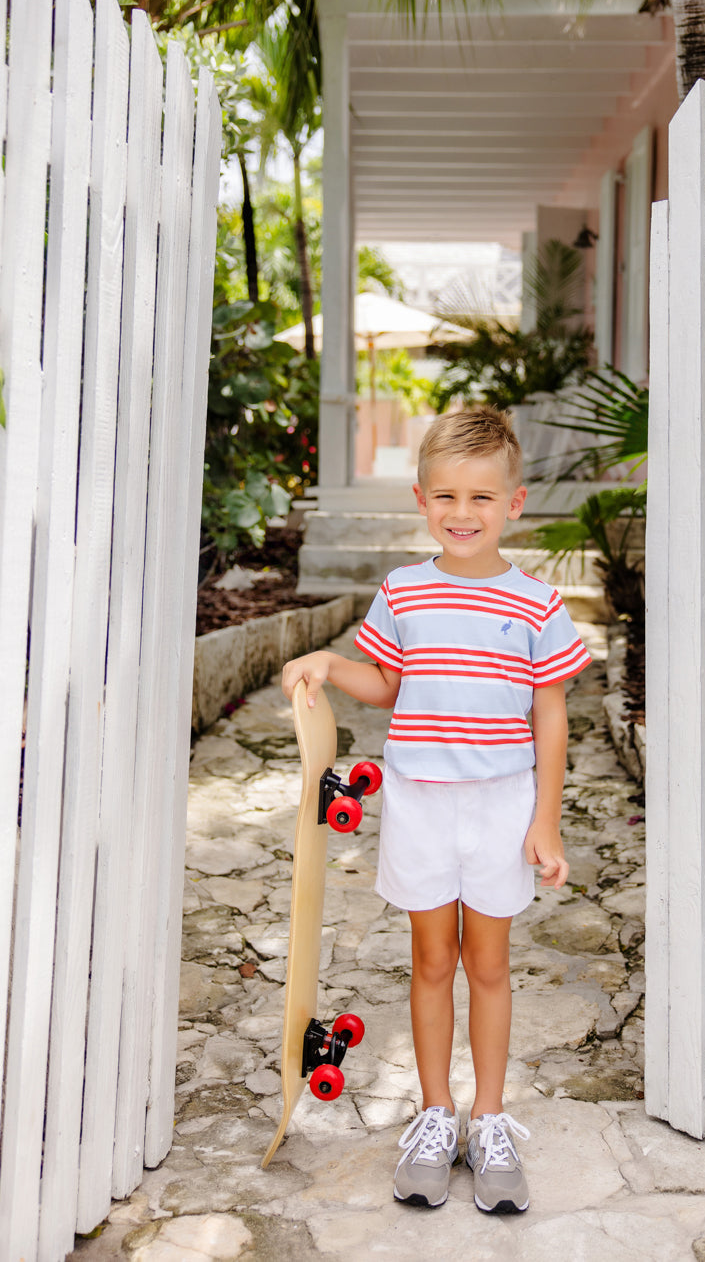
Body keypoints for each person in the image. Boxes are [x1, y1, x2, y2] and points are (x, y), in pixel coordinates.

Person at [281, 405, 591, 1214]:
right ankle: (433, 1115)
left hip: (500, 805)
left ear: (514, 504)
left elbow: (549, 714)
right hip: (419, 801)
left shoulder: (535, 604)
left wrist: (546, 819)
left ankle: (489, 1120)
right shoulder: (403, 590)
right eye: (446, 497)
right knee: (430, 962)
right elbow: (386, 683)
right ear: (422, 501)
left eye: (482, 499)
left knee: (487, 965)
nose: (463, 514)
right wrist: (329, 662)